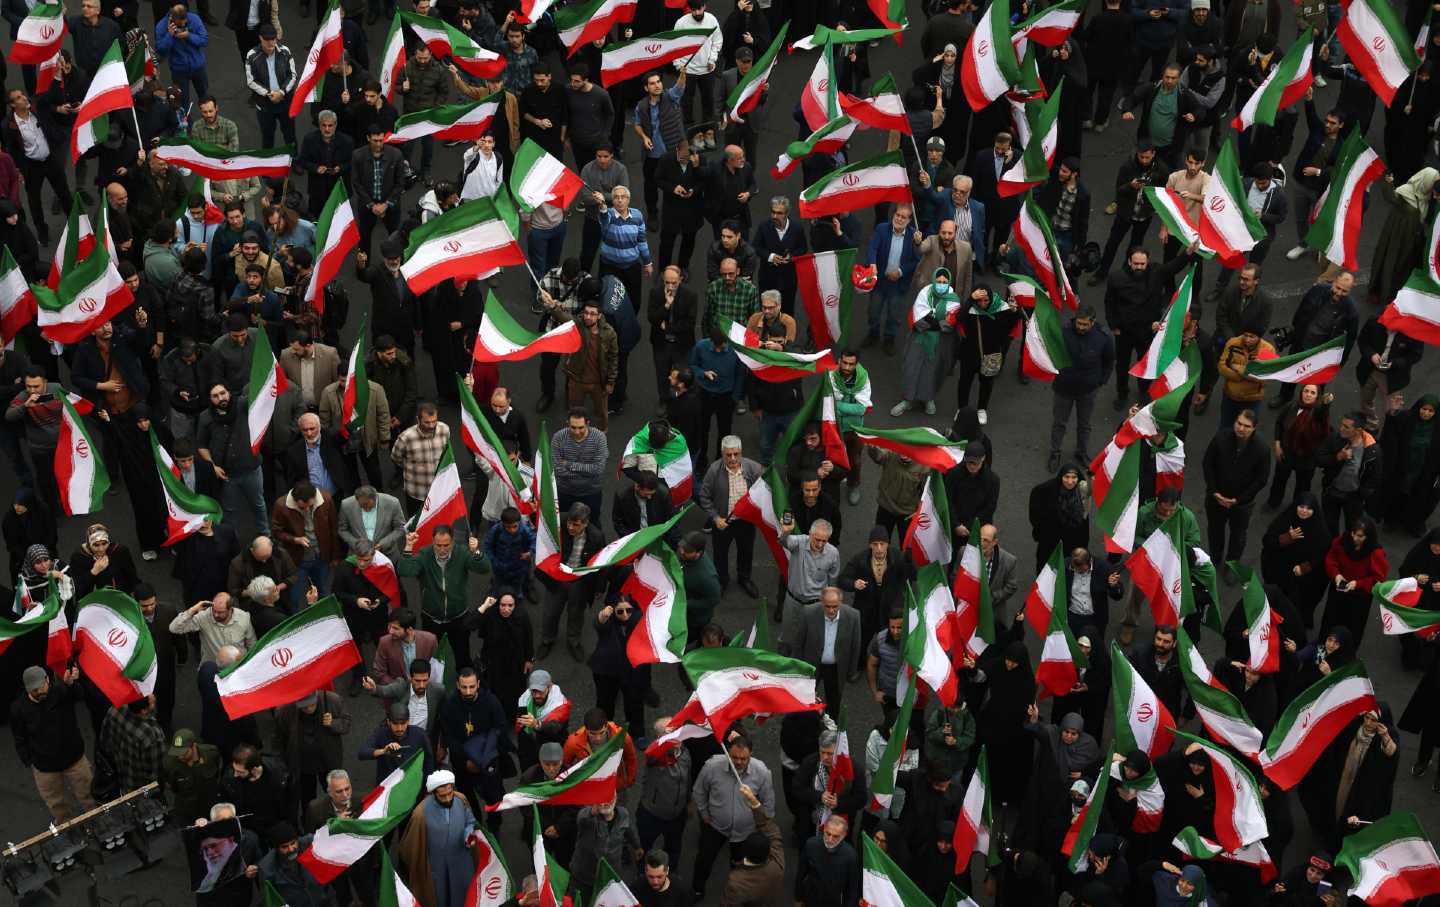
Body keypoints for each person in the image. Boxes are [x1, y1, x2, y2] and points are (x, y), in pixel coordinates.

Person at [690, 732, 776, 899]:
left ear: (751, 753)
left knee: (741, 865)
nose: (738, 762)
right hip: (715, 826)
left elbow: (769, 802)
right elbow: (699, 791)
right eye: (734, 757)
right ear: (728, 752)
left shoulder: (762, 772)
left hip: (746, 831)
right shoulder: (712, 766)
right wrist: (704, 813)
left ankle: (737, 892)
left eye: (743, 759)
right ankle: (697, 889)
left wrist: (763, 824)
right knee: (704, 860)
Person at [395, 528, 489, 671]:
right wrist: (408, 546)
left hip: (458, 617)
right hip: (431, 618)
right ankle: (432, 686)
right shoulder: (424, 554)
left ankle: (464, 684)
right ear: (433, 542)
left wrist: (476, 551)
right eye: (438, 545)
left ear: (452, 542)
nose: (442, 549)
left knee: (462, 655)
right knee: (431, 657)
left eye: (446, 545)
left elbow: (484, 568)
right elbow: (405, 570)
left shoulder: (462, 553)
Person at [12, 666, 98, 821]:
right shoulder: (18, 709)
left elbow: (79, 695)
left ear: (47, 679)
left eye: (41, 687)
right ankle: (69, 830)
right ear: (27, 689)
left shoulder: (60, 691)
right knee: (56, 804)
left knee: (88, 795)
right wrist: (30, 761)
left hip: (74, 760)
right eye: (34, 690)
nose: (39, 692)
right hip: (45, 768)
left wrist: (72, 685)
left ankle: (98, 822)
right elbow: (19, 738)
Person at [394, 770, 479, 907]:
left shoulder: (461, 800)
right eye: (442, 796)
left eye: (450, 794)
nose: (447, 799)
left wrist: (468, 834)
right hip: (437, 871)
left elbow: (470, 821)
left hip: (462, 864)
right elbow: (410, 848)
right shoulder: (420, 814)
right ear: (433, 793)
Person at [434, 668, 511, 815]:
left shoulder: (491, 702)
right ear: (457, 685)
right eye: (464, 687)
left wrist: (481, 759)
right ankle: (476, 824)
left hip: (488, 760)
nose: (468, 691)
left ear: (478, 684)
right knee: (467, 797)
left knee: (494, 796)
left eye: (472, 687)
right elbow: (448, 735)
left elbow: (500, 729)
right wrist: (466, 760)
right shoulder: (449, 706)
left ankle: (494, 824)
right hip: (462, 764)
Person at [538, 503, 608, 662]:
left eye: (575, 525)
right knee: (551, 612)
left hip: (580, 581)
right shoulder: (557, 525)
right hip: (558, 577)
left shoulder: (597, 537)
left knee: (576, 614)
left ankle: (573, 641)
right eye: (569, 522)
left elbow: (602, 563)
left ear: (586, 523)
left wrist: (600, 587)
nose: (570, 527)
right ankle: (547, 640)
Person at [1048, 306, 1114, 471]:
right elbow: (1051, 348)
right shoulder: (1063, 332)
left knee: (1084, 424)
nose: (1081, 327)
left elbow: (1109, 361)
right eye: (1079, 323)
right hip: (1064, 386)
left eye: (1085, 324)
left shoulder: (1104, 337)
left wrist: (1100, 382)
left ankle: (1081, 452)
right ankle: (1055, 452)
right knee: (1059, 422)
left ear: (1093, 322)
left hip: (1088, 389)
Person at [1202, 409, 1271, 566]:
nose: (1241, 428)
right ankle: (1215, 559)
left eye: (1246, 426)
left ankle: (1232, 565)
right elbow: (1208, 464)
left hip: (1241, 504)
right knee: (1214, 531)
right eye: (1239, 423)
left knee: (1238, 536)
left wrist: (1238, 499)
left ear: (1254, 428)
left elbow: (1261, 480)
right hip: (1215, 498)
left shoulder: (1262, 449)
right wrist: (1214, 491)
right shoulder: (1221, 438)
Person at [696, 436, 762, 597]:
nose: (732, 458)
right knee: (720, 554)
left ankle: (744, 578)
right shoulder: (714, 470)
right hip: (722, 522)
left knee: (746, 552)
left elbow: (764, 492)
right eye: (728, 455)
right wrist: (715, 518)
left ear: (741, 453)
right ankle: (722, 581)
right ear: (722, 453)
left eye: (736, 454)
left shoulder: (754, 469)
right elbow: (704, 497)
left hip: (746, 521)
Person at [894, 267, 961, 417]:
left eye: (944, 282)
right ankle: (907, 400)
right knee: (911, 367)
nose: (941, 284)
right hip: (918, 338)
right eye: (938, 281)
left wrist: (932, 322)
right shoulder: (925, 293)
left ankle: (928, 399)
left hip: (939, 342)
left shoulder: (954, 299)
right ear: (933, 281)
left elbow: (950, 323)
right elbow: (918, 318)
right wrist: (937, 323)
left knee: (931, 370)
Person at [1260, 494, 1332, 631]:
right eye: (1301, 507)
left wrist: (1305, 567)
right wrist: (1287, 538)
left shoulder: (1320, 531)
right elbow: (1268, 541)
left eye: (1309, 508)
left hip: (1302, 583)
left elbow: (1323, 555)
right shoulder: (1285, 521)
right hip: (1280, 573)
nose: (1304, 511)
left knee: (1295, 608)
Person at [271, 690, 350, 803]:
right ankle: (310, 818)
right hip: (301, 765)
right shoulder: (284, 711)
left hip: (328, 761)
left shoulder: (332, 701)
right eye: (304, 707)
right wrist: (282, 767)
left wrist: (333, 723)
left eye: (312, 705)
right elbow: (278, 742)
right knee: (307, 798)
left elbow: (346, 724)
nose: (308, 709)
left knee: (337, 794)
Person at [861, 205, 922, 353]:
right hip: (880, 280)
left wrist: (900, 272)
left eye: (903, 217)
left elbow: (917, 260)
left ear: (909, 221)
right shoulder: (882, 229)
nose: (899, 219)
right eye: (897, 215)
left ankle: (889, 338)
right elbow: (872, 248)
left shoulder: (914, 236)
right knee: (873, 311)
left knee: (894, 314)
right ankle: (873, 334)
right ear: (893, 215)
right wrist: (872, 264)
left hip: (898, 283)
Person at [1320, 517, 1388, 646]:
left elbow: (1378, 578)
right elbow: (1331, 558)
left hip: (1359, 597)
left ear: (1367, 537)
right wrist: (1337, 575)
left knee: (1353, 625)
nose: (1355, 538)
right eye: (1353, 534)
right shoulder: (1342, 541)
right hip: (1339, 589)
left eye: (1360, 536)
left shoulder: (1375, 552)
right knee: (1330, 620)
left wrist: (1358, 584)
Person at [1380, 395, 1440, 535]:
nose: (1426, 413)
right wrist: (1393, 412)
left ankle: (1413, 523)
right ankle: (1392, 520)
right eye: (1424, 409)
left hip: (1424, 473)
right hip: (1403, 469)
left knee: (1419, 498)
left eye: (1430, 411)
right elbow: (1391, 431)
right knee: (1397, 494)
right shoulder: (1407, 419)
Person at [1318, 411, 1382, 533]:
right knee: (1329, 525)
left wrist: (1362, 494)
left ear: (1358, 430)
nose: (1341, 428)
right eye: (1342, 425)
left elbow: (1375, 476)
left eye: (1346, 427)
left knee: (1352, 528)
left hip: (1353, 498)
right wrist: (1338, 457)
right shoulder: (1335, 438)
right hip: (1331, 491)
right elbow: (1319, 458)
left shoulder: (1372, 450)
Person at [390, 403, 451, 515]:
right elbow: (396, 457)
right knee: (416, 525)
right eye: (427, 422)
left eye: (434, 421)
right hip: (416, 492)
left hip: (438, 490)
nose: (432, 425)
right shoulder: (406, 438)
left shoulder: (444, 430)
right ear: (418, 419)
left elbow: (447, 452)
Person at [551, 408, 608, 517]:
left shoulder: (599, 438)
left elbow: (598, 469)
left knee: (592, 522)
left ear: (588, 423)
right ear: (567, 423)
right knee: (564, 521)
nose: (577, 432)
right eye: (573, 427)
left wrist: (568, 464)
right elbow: (557, 469)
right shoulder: (558, 438)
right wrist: (587, 474)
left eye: (581, 427)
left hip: (591, 493)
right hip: (564, 492)